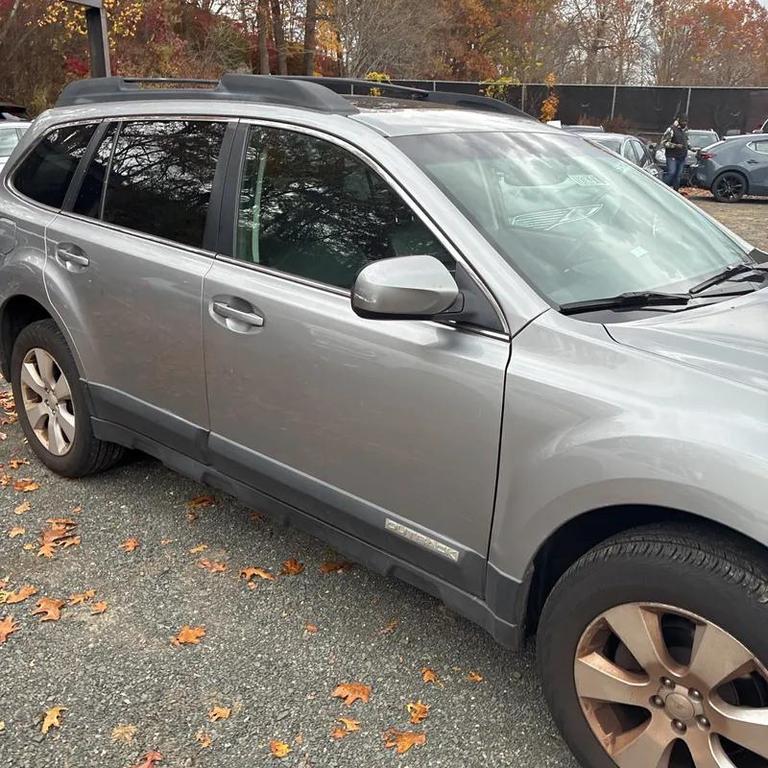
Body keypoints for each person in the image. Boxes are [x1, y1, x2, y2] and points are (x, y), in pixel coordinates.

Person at [661, 116, 689, 191]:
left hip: (682, 157)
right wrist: (675, 146)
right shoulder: (671, 129)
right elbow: (663, 143)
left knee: (678, 175)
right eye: (683, 121)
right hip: (672, 156)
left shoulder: (685, 131)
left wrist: (692, 149)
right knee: (671, 173)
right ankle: (661, 188)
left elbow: (686, 143)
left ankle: (675, 192)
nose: (685, 123)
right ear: (678, 120)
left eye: (686, 121)